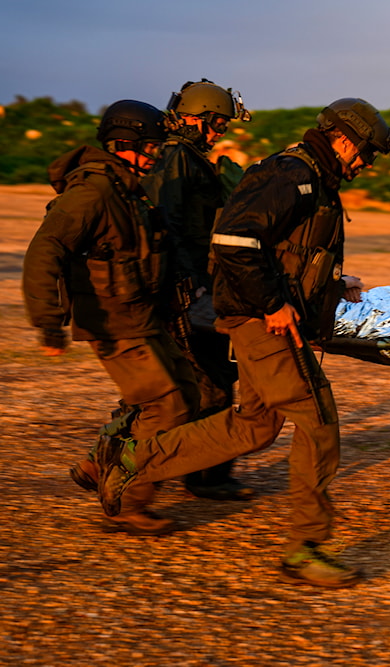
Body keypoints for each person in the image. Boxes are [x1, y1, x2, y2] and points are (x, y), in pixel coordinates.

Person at [91, 98, 390, 588]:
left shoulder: (313, 179)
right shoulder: (293, 176)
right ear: (343, 140)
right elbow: (234, 241)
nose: (366, 164)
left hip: (263, 316)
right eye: (366, 153)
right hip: (263, 321)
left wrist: (329, 283)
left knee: (254, 426)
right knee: (318, 421)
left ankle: (135, 460)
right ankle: (305, 547)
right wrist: (271, 304)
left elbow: (284, 251)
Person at [22, 100, 200, 536]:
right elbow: (45, 249)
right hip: (113, 321)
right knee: (166, 408)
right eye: (151, 148)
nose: (157, 156)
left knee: (189, 392)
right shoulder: (95, 191)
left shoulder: (127, 186)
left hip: (141, 315)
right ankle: (127, 503)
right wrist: (48, 320)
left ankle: (97, 462)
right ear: (123, 145)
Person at [143, 78, 255, 501]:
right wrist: (188, 286)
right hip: (183, 292)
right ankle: (195, 475)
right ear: (195, 118)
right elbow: (166, 227)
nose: (217, 134)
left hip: (197, 288)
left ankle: (205, 474)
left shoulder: (188, 159)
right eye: (217, 124)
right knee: (202, 387)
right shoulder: (174, 160)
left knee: (214, 381)